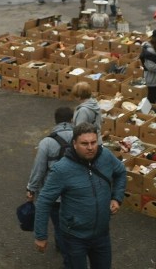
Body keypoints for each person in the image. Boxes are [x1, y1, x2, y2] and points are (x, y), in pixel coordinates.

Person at [34, 122, 127, 269]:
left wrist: (117, 197)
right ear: (74, 144)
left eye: (93, 142)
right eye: (84, 143)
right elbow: (44, 201)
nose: (90, 147)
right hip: (74, 237)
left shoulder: (106, 156)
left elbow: (121, 172)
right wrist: (41, 235)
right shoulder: (62, 169)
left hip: (101, 234)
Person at [26, 106, 74, 269]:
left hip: (54, 195)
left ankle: (65, 252)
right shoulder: (80, 138)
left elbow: (38, 168)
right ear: (71, 119)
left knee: (59, 226)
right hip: (75, 193)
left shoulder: (47, 142)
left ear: (56, 121)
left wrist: (31, 189)